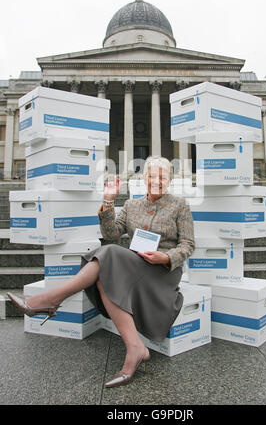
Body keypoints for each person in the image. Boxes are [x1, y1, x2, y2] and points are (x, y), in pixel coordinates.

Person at [8, 156, 195, 388]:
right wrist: (108, 201)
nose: (156, 181)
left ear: (170, 180)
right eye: (151, 176)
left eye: (162, 177)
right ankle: (135, 348)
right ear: (144, 178)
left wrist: (166, 257)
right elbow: (111, 233)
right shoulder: (131, 205)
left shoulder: (179, 206)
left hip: (163, 272)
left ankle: (48, 301)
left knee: (107, 256)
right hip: (135, 265)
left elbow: (188, 245)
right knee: (105, 267)